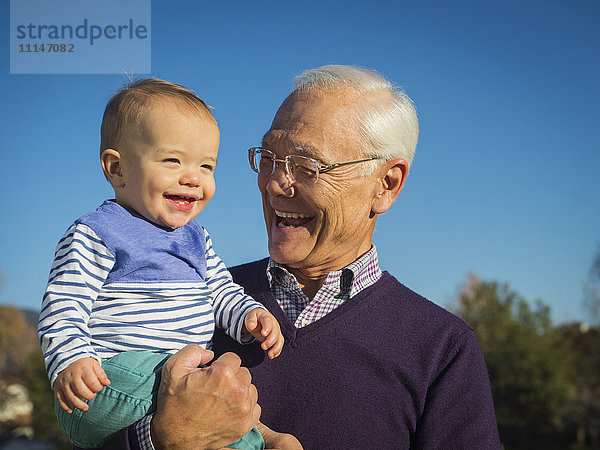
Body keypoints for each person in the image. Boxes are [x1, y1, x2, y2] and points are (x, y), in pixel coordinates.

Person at [99, 65, 501, 449]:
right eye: (269, 157)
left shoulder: (442, 350)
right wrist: (163, 440)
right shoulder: (182, 297)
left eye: (307, 165)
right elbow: (90, 421)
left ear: (387, 185)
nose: (275, 183)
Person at [38, 78, 285, 449]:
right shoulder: (100, 232)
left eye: (207, 166)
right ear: (116, 169)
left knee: (224, 414)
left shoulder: (196, 238)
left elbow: (220, 292)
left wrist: (249, 315)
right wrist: (69, 360)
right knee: (230, 432)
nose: (193, 178)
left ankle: (251, 435)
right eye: (173, 161)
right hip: (108, 382)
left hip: (168, 380)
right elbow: (63, 303)